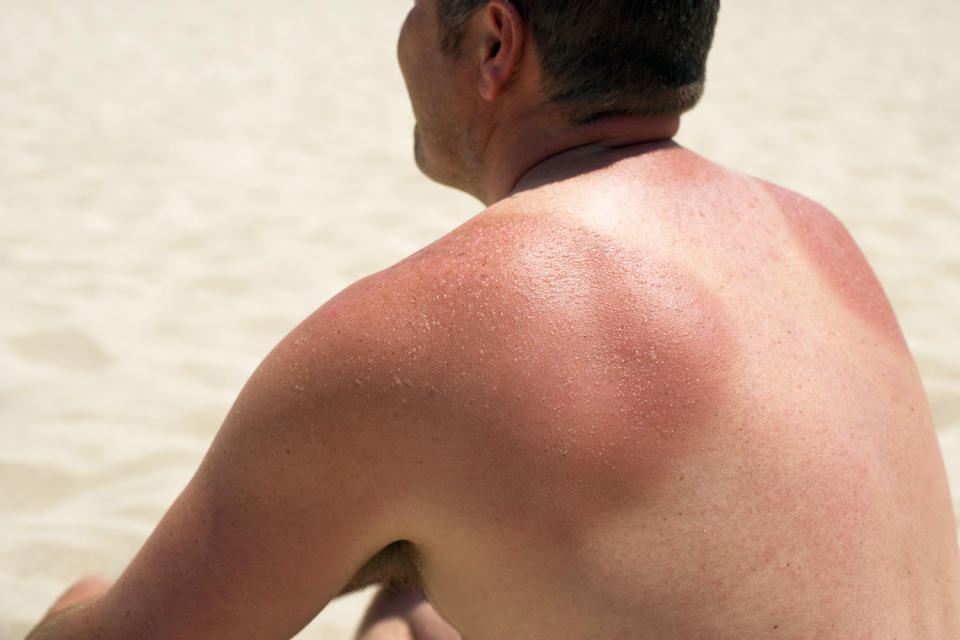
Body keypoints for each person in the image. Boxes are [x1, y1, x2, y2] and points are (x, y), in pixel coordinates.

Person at [26, 0, 960, 638]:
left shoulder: (430, 335)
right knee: (414, 610)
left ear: (493, 44)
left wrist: (77, 607)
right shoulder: (820, 243)